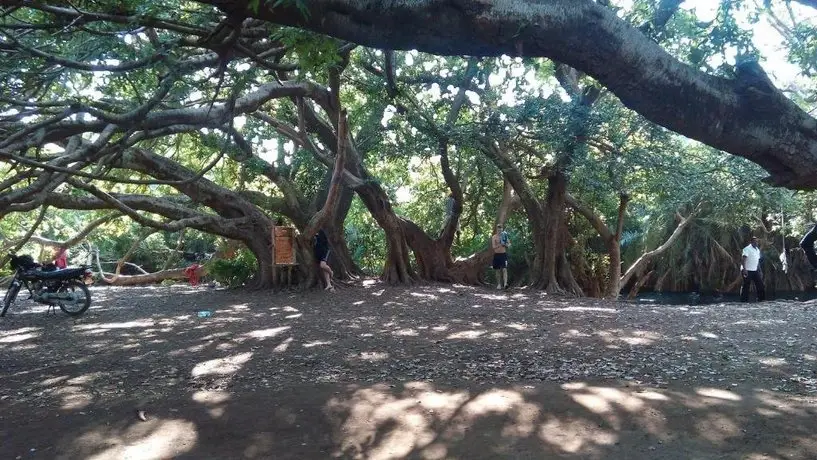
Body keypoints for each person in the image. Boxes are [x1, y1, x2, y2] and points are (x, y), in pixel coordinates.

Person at [740, 236, 765, 302]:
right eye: (754, 241)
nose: (756, 243)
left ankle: (761, 299)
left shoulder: (757, 250)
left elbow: (757, 261)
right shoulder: (747, 249)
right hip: (747, 270)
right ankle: (744, 301)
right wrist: (744, 269)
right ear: (751, 242)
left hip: (755, 270)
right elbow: (743, 259)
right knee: (746, 286)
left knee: (760, 285)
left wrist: (760, 270)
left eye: (757, 241)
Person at [491, 224, 511, 290]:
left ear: (502, 229)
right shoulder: (494, 237)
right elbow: (493, 247)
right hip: (497, 255)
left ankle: (505, 284)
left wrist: (505, 244)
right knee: (497, 270)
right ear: (496, 229)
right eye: (498, 228)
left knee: (505, 269)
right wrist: (500, 244)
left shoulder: (505, 236)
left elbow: (509, 244)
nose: (499, 229)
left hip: (503, 255)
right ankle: (499, 284)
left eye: (500, 228)